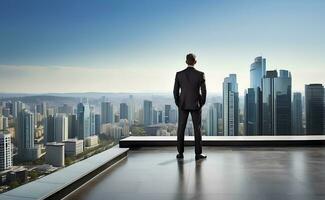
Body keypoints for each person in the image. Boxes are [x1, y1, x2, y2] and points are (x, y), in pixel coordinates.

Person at [173, 53, 207, 160]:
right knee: (197, 129)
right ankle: (198, 154)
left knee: (181, 129)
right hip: (196, 104)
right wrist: (201, 103)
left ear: (186, 61)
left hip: (182, 104)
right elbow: (204, 91)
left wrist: (179, 102)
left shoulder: (179, 74)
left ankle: (180, 153)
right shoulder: (200, 74)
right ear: (195, 62)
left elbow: (175, 91)